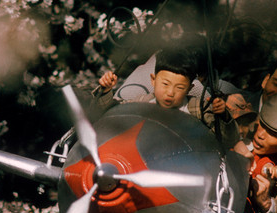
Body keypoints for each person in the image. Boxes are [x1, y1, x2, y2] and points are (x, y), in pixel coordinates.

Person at [98, 48, 240, 148]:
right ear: (153, 80)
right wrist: (106, 91)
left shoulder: (199, 110)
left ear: (189, 89)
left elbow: (228, 141)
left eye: (179, 88)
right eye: (165, 84)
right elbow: (110, 117)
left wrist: (223, 116)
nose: (170, 92)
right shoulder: (142, 104)